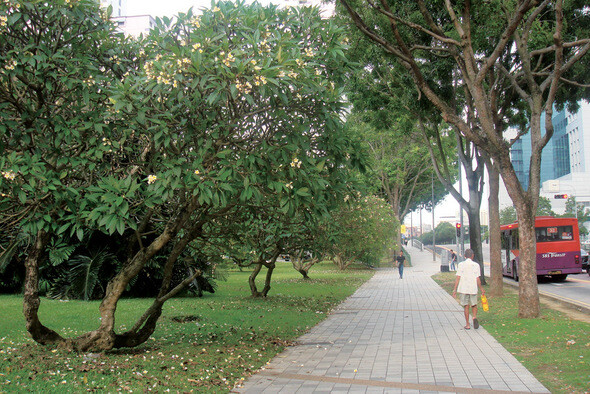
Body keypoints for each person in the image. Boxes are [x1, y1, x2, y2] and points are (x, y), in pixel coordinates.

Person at [452, 249, 485, 329]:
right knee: (474, 304)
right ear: (472, 256)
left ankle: (467, 324)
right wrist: (481, 289)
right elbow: (477, 279)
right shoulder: (476, 265)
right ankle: (474, 317)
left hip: (463, 288)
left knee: (466, 306)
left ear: (464, 256)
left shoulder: (461, 265)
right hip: (473, 288)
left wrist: (455, 289)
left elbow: (458, 277)